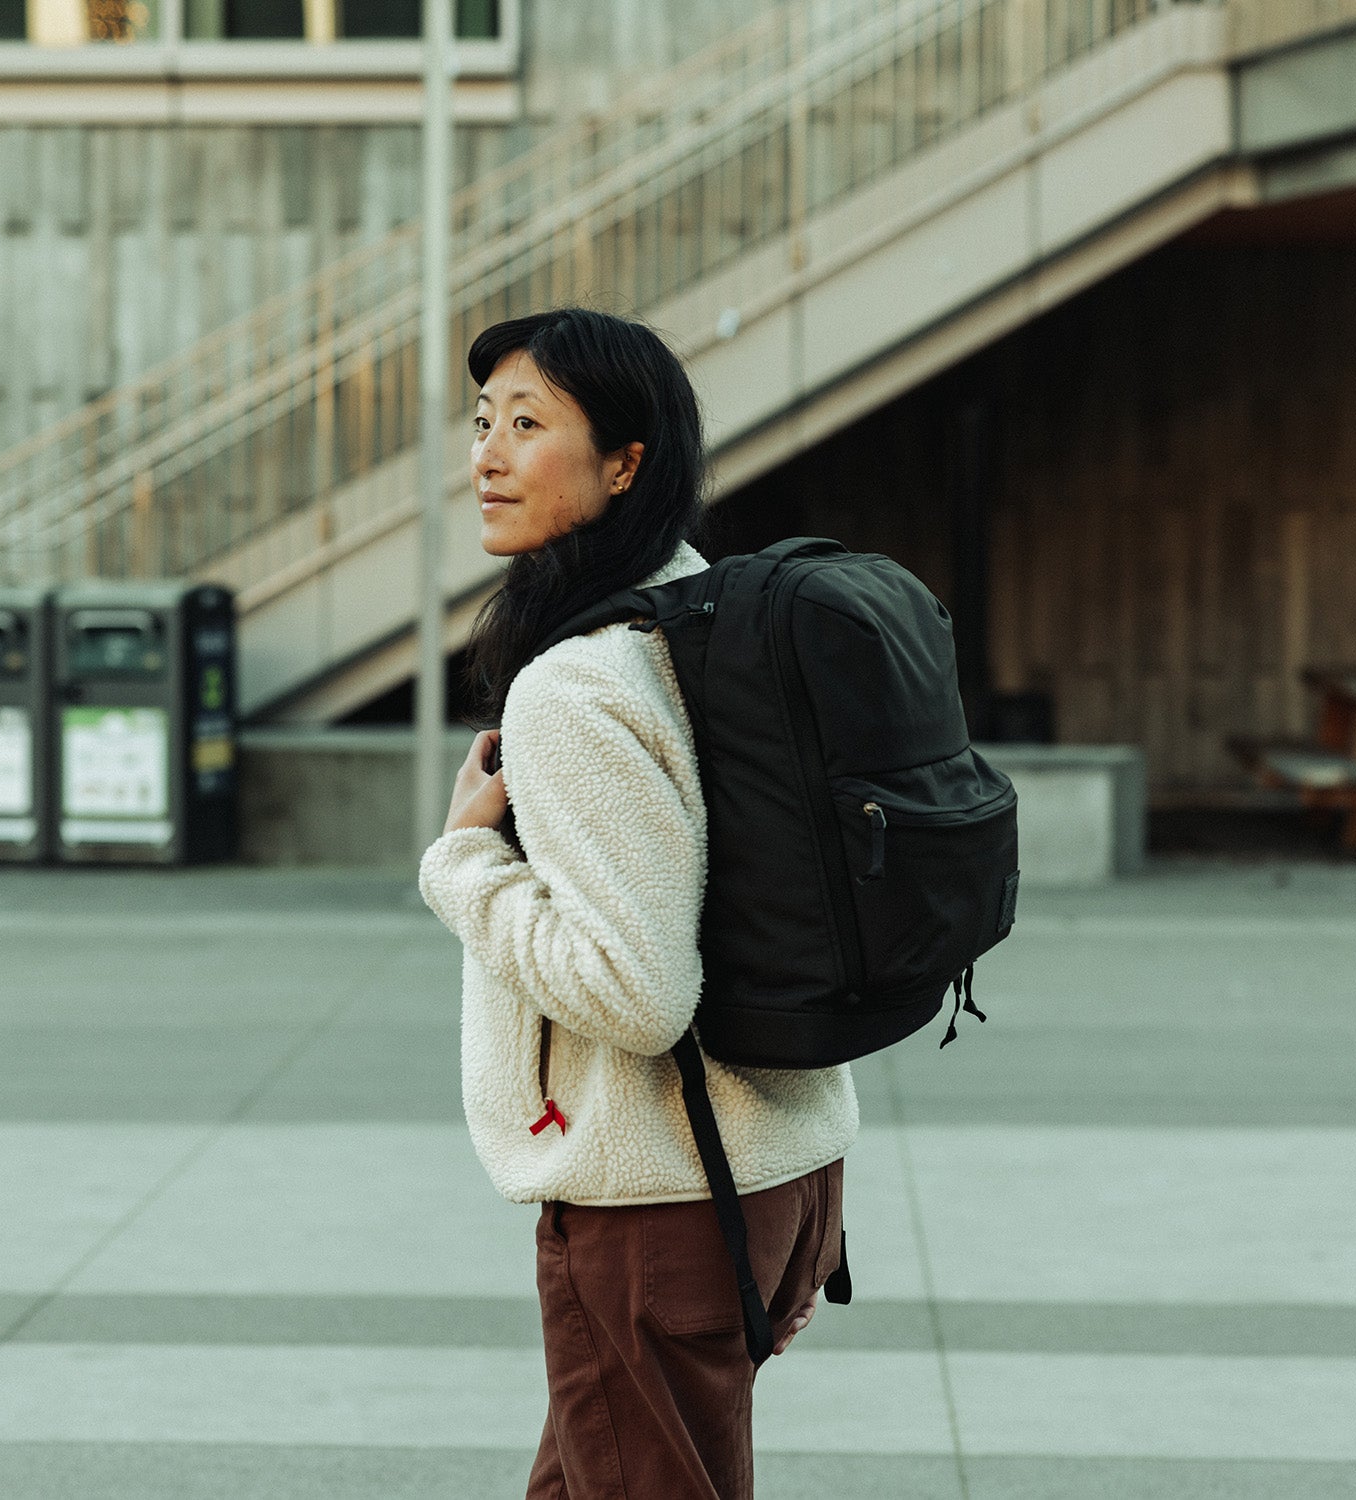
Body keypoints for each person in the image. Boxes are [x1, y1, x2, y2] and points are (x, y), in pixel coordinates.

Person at [417, 307, 858, 1499]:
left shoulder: (580, 682)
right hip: (767, 1166)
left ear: (626, 463)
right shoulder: (715, 618)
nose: (489, 456)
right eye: (482, 423)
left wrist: (463, 868)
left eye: (529, 424)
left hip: (657, 1202)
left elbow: (639, 991)